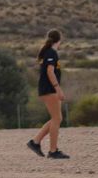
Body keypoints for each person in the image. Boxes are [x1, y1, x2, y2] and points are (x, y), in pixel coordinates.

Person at [27, 29, 69, 159]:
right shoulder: (51, 52)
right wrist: (58, 89)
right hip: (49, 90)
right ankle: (53, 151)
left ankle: (35, 142)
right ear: (59, 40)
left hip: (46, 89)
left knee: (56, 118)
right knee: (57, 119)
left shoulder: (48, 52)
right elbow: (50, 72)